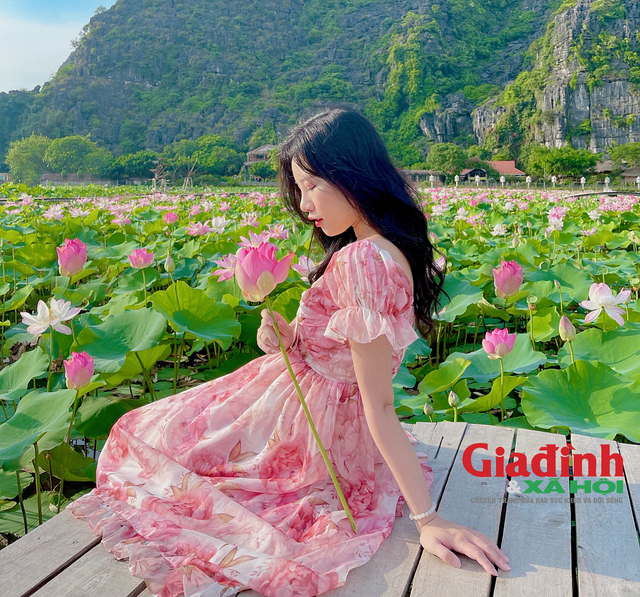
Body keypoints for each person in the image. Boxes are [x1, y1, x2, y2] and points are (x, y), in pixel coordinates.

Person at [70, 107, 510, 597]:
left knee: (144, 441)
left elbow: (379, 404)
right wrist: (286, 335)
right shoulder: (385, 248)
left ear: (354, 175)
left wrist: (428, 519)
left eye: (313, 186)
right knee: (157, 438)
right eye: (298, 189)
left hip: (306, 429)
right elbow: (341, 350)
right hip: (307, 407)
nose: (304, 205)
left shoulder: (364, 260)